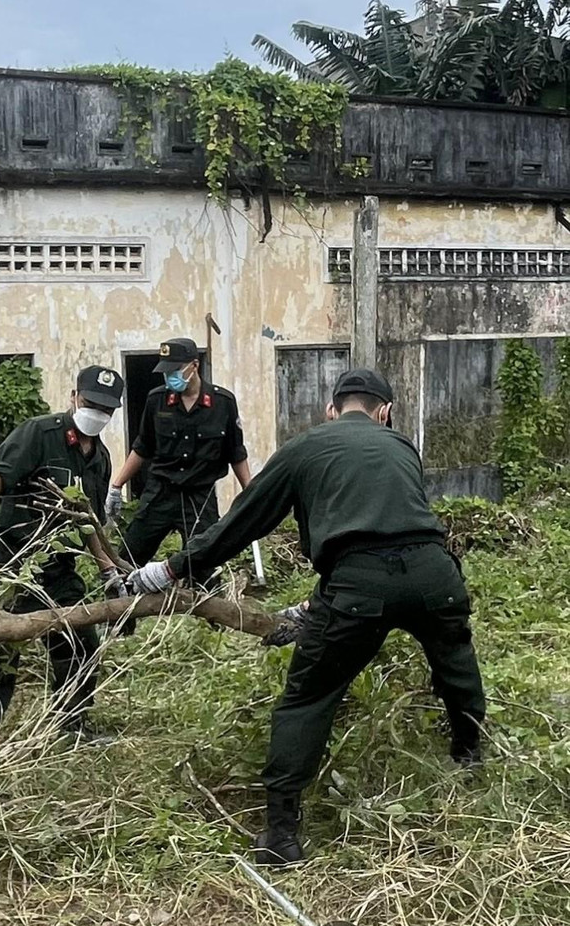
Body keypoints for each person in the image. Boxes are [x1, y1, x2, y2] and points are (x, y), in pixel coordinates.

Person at [127, 369, 486, 866]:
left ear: (330, 410)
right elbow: (395, 530)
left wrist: (171, 568)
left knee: (309, 697)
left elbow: (243, 521)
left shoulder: (306, 447)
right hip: (436, 577)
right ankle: (470, 758)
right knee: (455, 661)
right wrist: (318, 605)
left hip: (358, 588)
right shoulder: (401, 445)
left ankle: (281, 835)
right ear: (384, 412)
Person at [0, 366, 129, 750]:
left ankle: (72, 726)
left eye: (105, 410)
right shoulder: (40, 433)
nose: (96, 414)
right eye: (90, 404)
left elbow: (89, 522)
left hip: (58, 567)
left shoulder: (100, 458)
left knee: (80, 644)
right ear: (74, 397)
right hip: (12, 562)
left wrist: (108, 570)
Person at [109, 337, 251, 582]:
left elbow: (236, 453)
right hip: (160, 494)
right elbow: (142, 448)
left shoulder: (222, 403)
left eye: (175, 370)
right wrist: (116, 485)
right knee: (127, 561)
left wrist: (252, 493)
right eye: (166, 371)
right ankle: (119, 617)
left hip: (199, 497)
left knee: (206, 568)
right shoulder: (157, 399)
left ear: (194, 365)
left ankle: (210, 617)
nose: (169, 376)